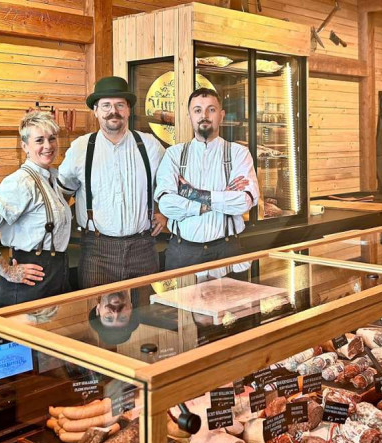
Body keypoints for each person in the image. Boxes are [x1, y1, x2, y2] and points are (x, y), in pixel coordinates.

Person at [58, 76, 167, 289]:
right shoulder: (80, 148)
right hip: (96, 251)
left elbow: (170, 185)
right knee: (96, 307)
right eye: (106, 105)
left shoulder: (150, 146)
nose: (113, 111)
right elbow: (61, 195)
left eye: (120, 105)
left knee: (144, 308)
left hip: (143, 248)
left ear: (128, 110)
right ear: (96, 111)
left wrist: (164, 213)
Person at [0, 111, 71, 306]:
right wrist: (8, 271)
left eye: (52, 138)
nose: (48, 146)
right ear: (25, 146)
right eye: (39, 140)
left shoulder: (53, 178)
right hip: (29, 283)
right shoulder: (21, 182)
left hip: (57, 274)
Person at [155, 87, 259, 273]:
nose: (204, 116)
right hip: (182, 251)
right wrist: (219, 199)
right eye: (197, 110)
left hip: (227, 249)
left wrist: (192, 194)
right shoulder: (174, 155)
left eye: (211, 109)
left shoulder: (238, 153)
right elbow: (166, 205)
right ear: (189, 116)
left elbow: (244, 202)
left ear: (221, 115)